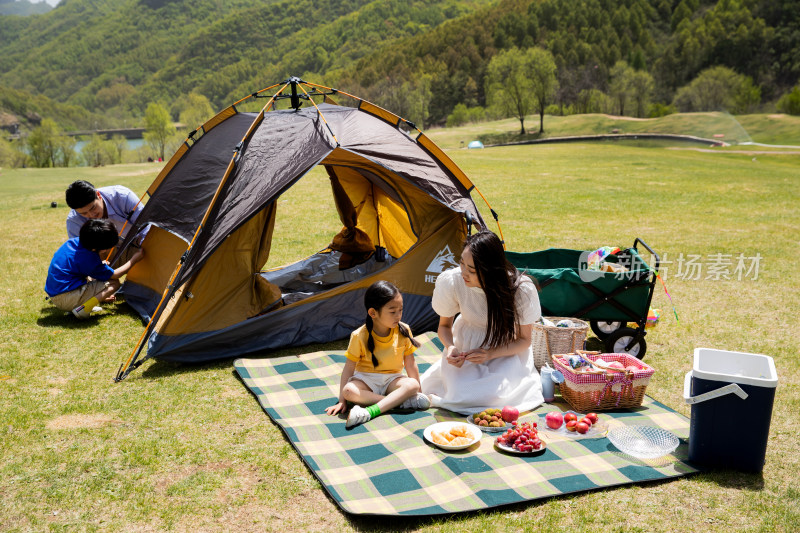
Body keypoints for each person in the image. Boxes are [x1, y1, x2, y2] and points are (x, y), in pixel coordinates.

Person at [420, 230, 544, 414]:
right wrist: (451, 347)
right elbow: (444, 326)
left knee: (495, 396)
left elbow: (524, 340)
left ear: (491, 270)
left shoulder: (520, 289)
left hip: (505, 349)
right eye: (462, 263)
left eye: (471, 270)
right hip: (466, 348)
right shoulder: (453, 280)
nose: (463, 272)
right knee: (459, 392)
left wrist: (490, 354)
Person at [325, 280, 430, 428]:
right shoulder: (359, 335)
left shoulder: (404, 330)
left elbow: (410, 364)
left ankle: (371, 410)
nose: (398, 315)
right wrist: (342, 400)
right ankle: (396, 402)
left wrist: (418, 392)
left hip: (392, 380)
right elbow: (348, 368)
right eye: (393, 311)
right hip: (366, 381)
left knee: (412, 384)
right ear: (373, 313)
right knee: (348, 391)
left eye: (401, 310)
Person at [45, 219, 144, 319]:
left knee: (95, 278)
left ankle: (80, 304)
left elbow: (79, 266)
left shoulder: (73, 243)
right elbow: (115, 275)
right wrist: (134, 259)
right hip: (67, 297)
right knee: (114, 283)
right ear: (100, 249)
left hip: (56, 294)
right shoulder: (89, 257)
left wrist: (100, 264)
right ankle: (84, 308)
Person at [65, 180, 144, 241]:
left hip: (139, 241)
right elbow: (82, 253)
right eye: (84, 213)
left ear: (98, 195)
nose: (92, 215)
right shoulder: (74, 221)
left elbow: (146, 225)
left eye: (93, 208)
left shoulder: (123, 196)